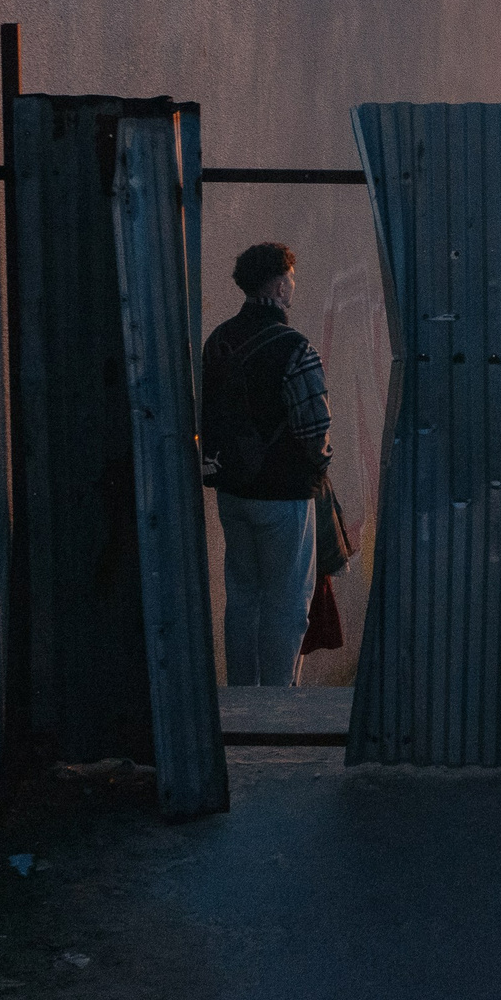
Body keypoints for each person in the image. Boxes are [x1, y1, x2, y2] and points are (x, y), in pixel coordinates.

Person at [201, 241, 333, 686]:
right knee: (287, 600)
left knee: (242, 596)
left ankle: (241, 700)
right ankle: (276, 703)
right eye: (291, 278)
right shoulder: (294, 346)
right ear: (278, 285)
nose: (293, 285)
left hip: (232, 490)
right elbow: (316, 428)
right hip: (283, 495)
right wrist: (320, 462)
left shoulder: (217, 340)